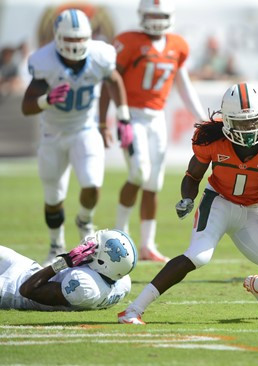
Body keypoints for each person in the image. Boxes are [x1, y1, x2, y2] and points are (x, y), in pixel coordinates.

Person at [117, 83, 258, 324]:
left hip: (253, 211)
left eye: (253, 122)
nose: (247, 129)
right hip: (219, 202)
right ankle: (134, 309)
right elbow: (193, 175)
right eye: (240, 123)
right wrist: (187, 198)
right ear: (226, 121)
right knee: (198, 256)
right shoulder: (210, 137)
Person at [99, 0, 207, 263]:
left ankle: (147, 244)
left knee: (153, 182)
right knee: (138, 172)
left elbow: (183, 84)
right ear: (142, 15)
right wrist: (104, 120)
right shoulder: (127, 41)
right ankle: (119, 233)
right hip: (131, 116)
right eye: (151, 14)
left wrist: (203, 118)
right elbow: (109, 83)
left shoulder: (177, 45)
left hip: (157, 118)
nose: (156, 20)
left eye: (160, 15)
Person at [21, 9, 129, 266]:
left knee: (92, 184)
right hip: (52, 133)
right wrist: (46, 99)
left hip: (84, 128)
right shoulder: (44, 60)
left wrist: (122, 116)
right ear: (58, 38)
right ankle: (56, 243)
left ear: (88, 37)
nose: (75, 45)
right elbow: (26, 106)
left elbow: (114, 79)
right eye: (69, 39)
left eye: (80, 39)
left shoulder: (100, 55)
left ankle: (84, 219)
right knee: (53, 196)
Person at [0, 229, 136, 311]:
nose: (90, 246)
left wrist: (65, 262)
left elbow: (27, 290)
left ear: (102, 262)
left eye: (96, 247)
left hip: (11, 289)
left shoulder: (84, 286)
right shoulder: (121, 280)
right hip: (28, 268)